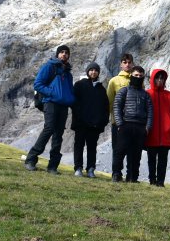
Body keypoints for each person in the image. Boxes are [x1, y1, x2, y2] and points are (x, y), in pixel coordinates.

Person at [25, 44, 76, 174]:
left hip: (63, 106)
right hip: (50, 103)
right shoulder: (50, 66)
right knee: (49, 129)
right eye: (62, 52)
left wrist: (70, 99)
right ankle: (31, 159)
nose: (64, 54)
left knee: (58, 134)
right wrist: (53, 93)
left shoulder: (68, 73)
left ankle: (53, 166)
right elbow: (38, 84)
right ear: (57, 54)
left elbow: (70, 90)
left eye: (66, 52)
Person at [113, 66, 153, 183]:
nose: (138, 77)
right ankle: (116, 174)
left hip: (140, 127)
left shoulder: (145, 95)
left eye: (140, 76)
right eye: (136, 75)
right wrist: (120, 124)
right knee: (120, 151)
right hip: (125, 124)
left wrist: (147, 127)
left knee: (136, 154)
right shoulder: (124, 91)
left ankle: (132, 177)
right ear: (131, 75)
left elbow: (150, 112)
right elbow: (117, 107)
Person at [70, 62, 109, 178]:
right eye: (91, 70)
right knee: (79, 146)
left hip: (94, 125)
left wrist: (102, 121)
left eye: (96, 70)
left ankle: (91, 169)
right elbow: (74, 103)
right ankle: (78, 168)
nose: (93, 72)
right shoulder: (79, 85)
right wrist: (79, 117)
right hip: (81, 124)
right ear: (87, 71)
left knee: (92, 148)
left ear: (98, 73)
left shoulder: (101, 89)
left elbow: (105, 108)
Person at [145, 68, 170, 187]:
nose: (159, 80)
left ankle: (160, 182)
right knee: (151, 159)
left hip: (166, 133)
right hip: (152, 132)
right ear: (153, 79)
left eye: (162, 78)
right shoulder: (147, 93)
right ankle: (152, 180)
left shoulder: (169, 95)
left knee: (163, 160)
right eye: (157, 78)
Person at [106, 53, 133, 182]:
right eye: (124, 62)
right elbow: (109, 102)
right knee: (118, 148)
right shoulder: (114, 81)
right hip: (118, 122)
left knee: (131, 149)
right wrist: (113, 119)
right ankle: (116, 173)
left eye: (129, 62)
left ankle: (131, 175)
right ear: (121, 64)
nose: (127, 64)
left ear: (132, 64)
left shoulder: (136, 80)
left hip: (133, 122)